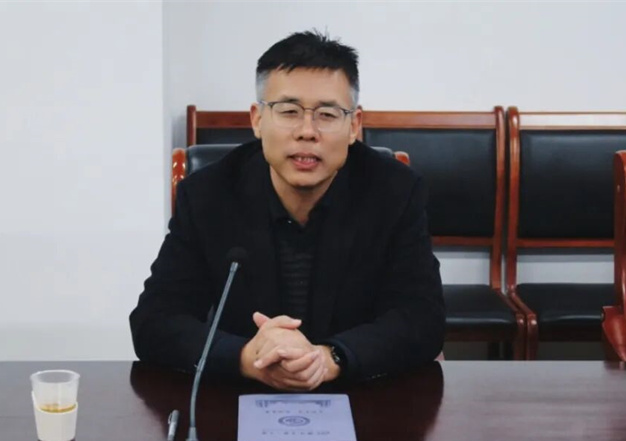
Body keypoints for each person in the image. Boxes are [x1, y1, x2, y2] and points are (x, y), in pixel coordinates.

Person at [130, 30, 445, 391]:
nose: (307, 132)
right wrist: (245, 357)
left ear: (354, 125)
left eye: (327, 114)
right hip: (240, 395)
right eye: (289, 111)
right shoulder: (208, 195)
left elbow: (423, 319)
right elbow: (155, 321)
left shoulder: (395, 192)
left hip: (361, 393)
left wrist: (330, 358)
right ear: (257, 119)